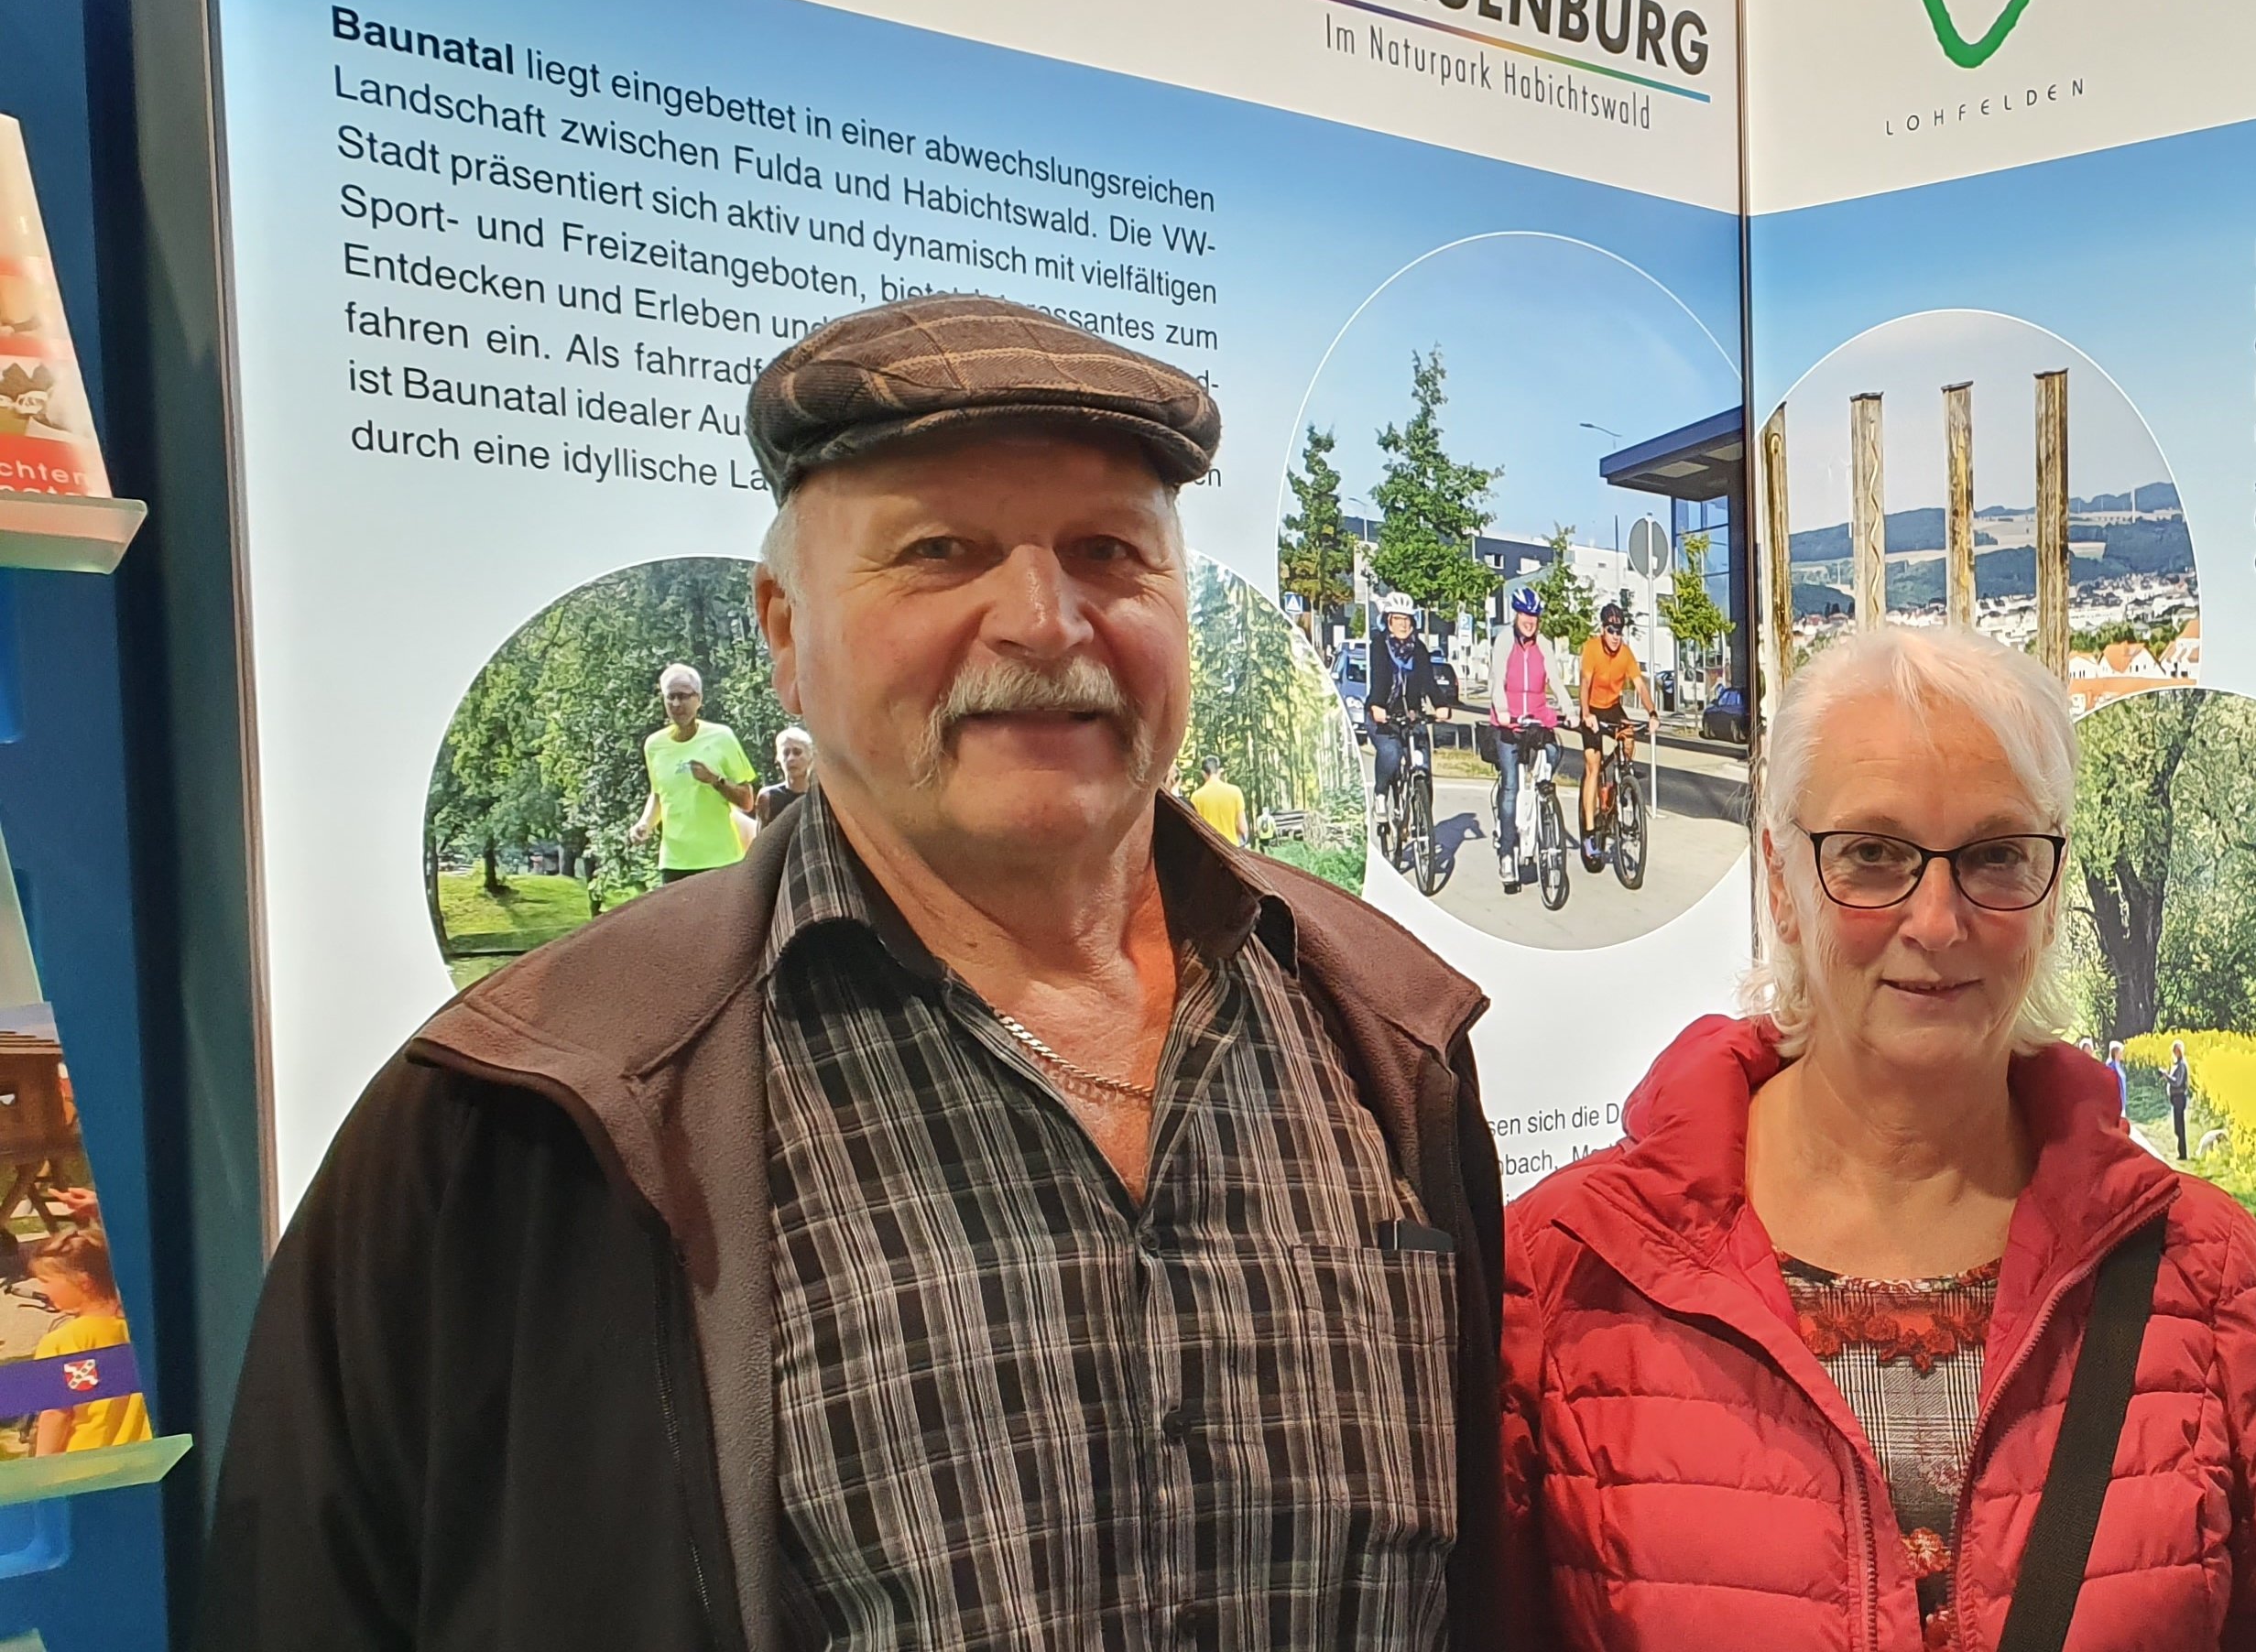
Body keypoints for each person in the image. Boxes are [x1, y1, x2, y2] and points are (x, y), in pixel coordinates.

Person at [210, 295, 1509, 1651]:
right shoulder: (519, 1121)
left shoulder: (1385, 1041)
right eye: (940, 552)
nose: (1044, 621)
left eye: (1109, 552)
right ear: (783, 633)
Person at [1501, 625, 2256, 1652]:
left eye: (1995, 856)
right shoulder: (1566, 1277)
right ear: (1782, 883)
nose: (1938, 922)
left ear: (2051, 890)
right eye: (1872, 854)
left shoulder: (2205, 1282)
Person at [632, 662, 757, 881]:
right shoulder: (654, 745)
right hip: (674, 863)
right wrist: (645, 824)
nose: (676, 704)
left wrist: (715, 781)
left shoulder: (721, 737)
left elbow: (747, 801)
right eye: (670, 697)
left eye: (683, 696)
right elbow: (659, 795)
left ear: (698, 699)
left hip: (720, 860)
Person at [25, 1231, 145, 1455]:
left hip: (86, 1462)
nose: (42, 1290)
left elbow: (56, 1414)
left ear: (84, 1282)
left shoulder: (62, 1343)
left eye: (45, 1281)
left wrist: (42, 1465)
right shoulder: (140, 1331)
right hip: (147, 1458)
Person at [1487, 590, 1569, 892]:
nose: (1530, 621)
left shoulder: (1543, 644)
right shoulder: (1504, 641)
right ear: (1516, 615)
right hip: (1509, 723)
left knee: (1553, 753)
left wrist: (1570, 711)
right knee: (1510, 787)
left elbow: (1556, 681)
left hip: (1537, 719)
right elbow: (1496, 680)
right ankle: (1507, 853)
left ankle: (1540, 809)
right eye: (1525, 614)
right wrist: (1502, 710)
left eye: (1534, 616)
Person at [1575, 599, 1646, 869]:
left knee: (1628, 736)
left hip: (1613, 707)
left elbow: (1640, 685)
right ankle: (1590, 835)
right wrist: (1586, 714)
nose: (1616, 636)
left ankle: (1623, 779)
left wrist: (1652, 713)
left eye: (1619, 631)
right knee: (1593, 766)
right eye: (1611, 630)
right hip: (1592, 708)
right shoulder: (1592, 648)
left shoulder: (1625, 654)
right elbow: (1585, 683)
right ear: (1603, 629)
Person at [1368, 594, 1442, 801]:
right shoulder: (1379, 646)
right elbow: (1379, 677)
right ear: (1388, 621)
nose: (1403, 624)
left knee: (1423, 764)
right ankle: (1381, 795)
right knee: (1391, 753)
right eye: (1398, 619)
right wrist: (1377, 706)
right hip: (1384, 715)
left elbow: (1428, 680)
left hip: (1412, 715)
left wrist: (1440, 704)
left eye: (1407, 619)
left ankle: (1422, 811)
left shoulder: (1419, 649)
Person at [752, 725, 819, 829]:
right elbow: (761, 836)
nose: (791, 758)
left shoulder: (821, 797)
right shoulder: (768, 798)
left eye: (797, 752)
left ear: (810, 757)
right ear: (778, 759)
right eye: (786, 753)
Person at [1188, 755, 1249, 847]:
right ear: (1219, 771)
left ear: (1203, 774)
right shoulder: (1235, 792)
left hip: (1208, 848)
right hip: (1231, 848)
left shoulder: (1196, 797)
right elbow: (1243, 828)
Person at [2163, 1038, 2195, 1161]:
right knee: (2177, 1126)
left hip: (2179, 1098)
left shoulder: (2181, 1065)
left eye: (2175, 1050)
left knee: (2179, 1126)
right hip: (2175, 1098)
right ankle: (2181, 1152)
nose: (2174, 1052)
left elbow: (2177, 1082)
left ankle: (2183, 1154)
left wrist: (2166, 1076)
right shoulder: (2177, 1064)